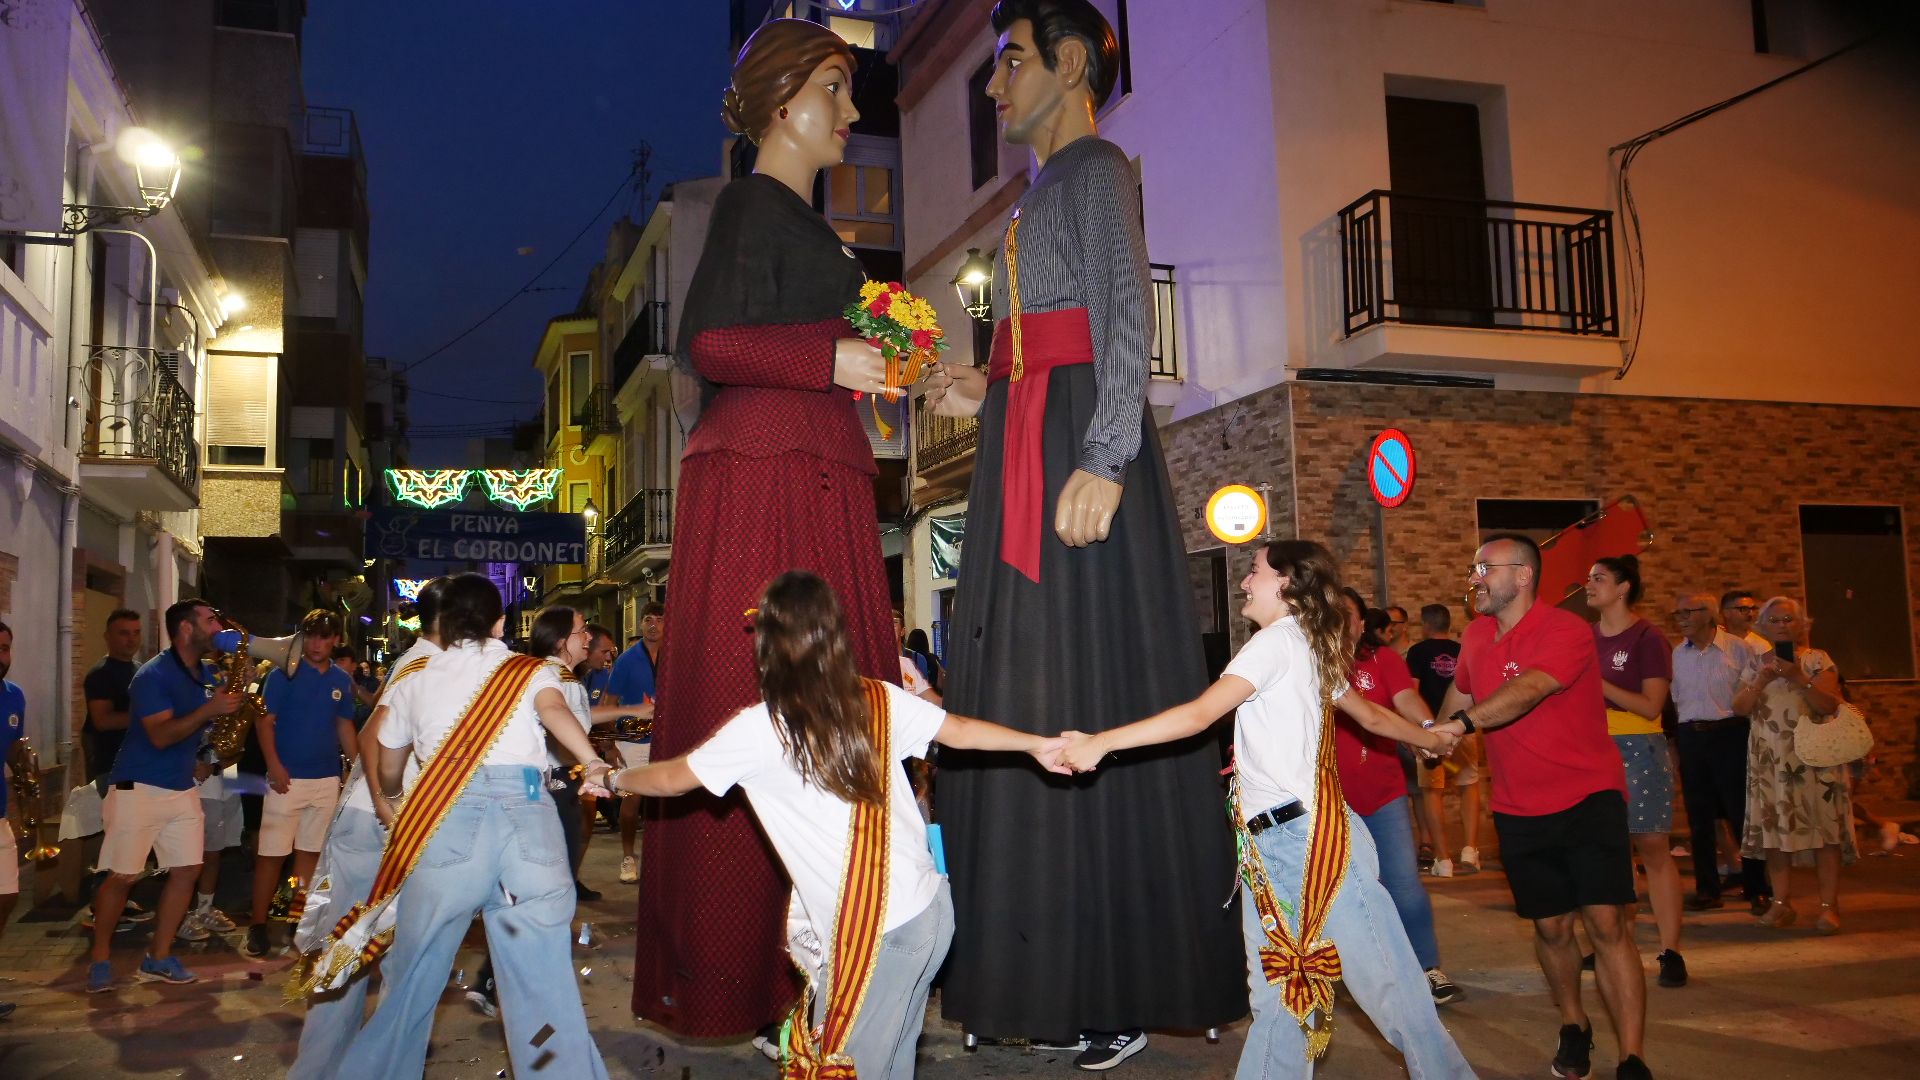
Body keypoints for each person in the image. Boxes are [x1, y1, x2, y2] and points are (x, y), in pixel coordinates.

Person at [921, 2, 1244, 1063]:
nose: (991, 84)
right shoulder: (1037, 195)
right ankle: (1028, 973)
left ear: (1070, 62)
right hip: (1029, 430)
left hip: (1069, 447)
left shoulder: (1097, 168)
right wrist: (985, 381)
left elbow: (1120, 315)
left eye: (1007, 61)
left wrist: (1105, 455)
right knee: (1024, 690)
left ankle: (1108, 982)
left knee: (1085, 684)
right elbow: (1046, 329)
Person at [635, 19, 904, 1039]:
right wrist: (828, 363)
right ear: (785, 104)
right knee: (763, 713)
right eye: (837, 89)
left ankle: (812, 968)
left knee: (817, 718)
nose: (852, 110)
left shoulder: (800, 225)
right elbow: (710, 340)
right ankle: (738, 974)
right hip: (766, 474)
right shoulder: (753, 203)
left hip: (807, 463)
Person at [610, 571, 1068, 1078]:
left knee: (840, 1068)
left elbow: (673, 778)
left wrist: (613, 777)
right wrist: (1037, 745)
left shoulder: (763, 728)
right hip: (928, 913)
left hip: (875, 936)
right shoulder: (876, 697)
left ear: (769, 644)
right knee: (887, 1065)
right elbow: (958, 730)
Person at [1057, 541, 1470, 1077]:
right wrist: (1430, 741)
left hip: (1312, 843)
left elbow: (1200, 715)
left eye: (1255, 572)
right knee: (1281, 992)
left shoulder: (1276, 643)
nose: (1244, 582)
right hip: (1271, 846)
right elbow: (1370, 716)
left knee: (1388, 983)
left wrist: (1100, 742)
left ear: (1289, 584)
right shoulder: (1306, 644)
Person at [332, 574, 612, 1076]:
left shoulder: (417, 676)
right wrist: (592, 761)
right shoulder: (527, 670)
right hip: (530, 821)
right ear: (500, 624)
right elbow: (552, 712)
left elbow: (389, 761)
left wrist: (394, 801)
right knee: (546, 989)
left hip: (447, 824)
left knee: (413, 982)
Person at [1435, 535, 1652, 1080]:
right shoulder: (1476, 635)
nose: (1475, 577)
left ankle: (1631, 1058)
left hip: (1588, 794)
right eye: (1473, 568)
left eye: (1485, 567)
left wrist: (1460, 726)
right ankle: (1574, 1025)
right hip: (1516, 804)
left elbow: (1530, 689)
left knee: (1606, 922)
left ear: (1525, 575)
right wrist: (1429, 736)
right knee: (1553, 928)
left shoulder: (1566, 630)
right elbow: (1457, 700)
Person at [286, 578, 448, 1080]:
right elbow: (374, 734)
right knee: (388, 960)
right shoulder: (427, 665)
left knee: (356, 955)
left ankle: (330, 1070)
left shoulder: (422, 663)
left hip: (380, 823)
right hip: (387, 827)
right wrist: (385, 803)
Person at [87, 599, 243, 993]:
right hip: (137, 786)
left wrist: (233, 694)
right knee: (123, 876)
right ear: (186, 630)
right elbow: (159, 735)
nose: (218, 626)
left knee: (187, 870)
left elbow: (205, 723)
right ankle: (101, 960)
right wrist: (211, 708)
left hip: (180, 787)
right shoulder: (152, 676)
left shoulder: (203, 673)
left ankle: (158, 957)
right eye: (210, 620)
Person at [466, 604, 601, 1020]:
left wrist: (633, 712)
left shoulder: (547, 675)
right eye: (581, 631)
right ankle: (507, 982)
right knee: (549, 891)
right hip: (552, 788)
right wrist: (594, 763)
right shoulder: (553, 678)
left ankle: (494, 978)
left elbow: (581, 720)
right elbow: (563, 724)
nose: (589, 638)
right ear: (562, 640)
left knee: (526, 889)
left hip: (536, 788)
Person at [1339, 594, 1460, 1006]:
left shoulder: (1384, 661)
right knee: (1340, 888)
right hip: (1329, 797)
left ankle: (1426, 967)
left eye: (1349, 616)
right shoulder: (1311, 664)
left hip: (1384, 791)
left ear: (1361, 624)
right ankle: (1354, 973)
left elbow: (1405, 700)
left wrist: (1428, 728)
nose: (1341, 623)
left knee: (1404, 884)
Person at [1586, 557, 1686, 989]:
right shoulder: (1584, 637)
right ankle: (1616, 942)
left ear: (1624, 587)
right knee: (1610, 851)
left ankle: (1671, 950)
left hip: (1639, 747)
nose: (1589, 585)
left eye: (1599, 579)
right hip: (1594, 750)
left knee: (1652, 846)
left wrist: (1595, 680)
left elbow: (1650, 705)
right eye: (1589, 578)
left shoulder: (1648, 637)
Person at [1736, 597, 1855, 934]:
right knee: (1776, 832)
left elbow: (1828, 703)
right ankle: (1780, 903)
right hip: (1771, 759)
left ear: (1803, 623)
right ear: (1762, 627)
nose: (1782, 624)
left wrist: (1798, 676)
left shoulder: (1818, 660)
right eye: (1774, 620)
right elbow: (1740, 706)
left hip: (1814, 756)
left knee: (1824, 830)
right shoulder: (1757, 662)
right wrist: (1761, 680)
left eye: (1789, 618)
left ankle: (1829, 906)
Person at [244, 610, 356, 959]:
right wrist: (274, 765)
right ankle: (258, 924)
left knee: (308, 856)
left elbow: (344, 727)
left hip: (324, 779)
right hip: (286, 779)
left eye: (324, 637)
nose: (317, 643)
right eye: (311, 635)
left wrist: (356, 770)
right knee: (271, 856)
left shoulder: (341, 680)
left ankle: (298, 919)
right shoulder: (281, 676)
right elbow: (265, 724)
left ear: (336, 640)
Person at [1669, 592, 1769, 914]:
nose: (1680, 618)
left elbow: (1754, 695)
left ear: (1709, 615)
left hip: (1730, 734)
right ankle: (1707, 889)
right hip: (1691, 738)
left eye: (1687, 612)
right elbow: (1674, 701)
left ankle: (1757, 887)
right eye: (1677, 613)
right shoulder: (1676, 654)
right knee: (1700, 819)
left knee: (1742, 814)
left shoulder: (1739, 649)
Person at [1405, 604, 1482, 875]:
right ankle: (1470, 850)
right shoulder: (1462, 650)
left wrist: (1416, 730)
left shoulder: (1416, 652)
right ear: (1448, 624)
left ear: (1426, 625)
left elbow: (1412, 694)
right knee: (1468, 786)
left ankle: (1443, 859)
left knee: (1431, 792)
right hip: (1465, 729)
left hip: (1432, 734)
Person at [604, 602, 663, 886]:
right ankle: (629, 857)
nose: (653, 625)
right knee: (631, 803)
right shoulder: (626, 660)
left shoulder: (675, 654)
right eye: (648, 620)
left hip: (666, 739)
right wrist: (610, 744)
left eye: (659, 620)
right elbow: (609, 703)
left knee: (664, 803)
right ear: (641, 624)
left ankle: (657, 859)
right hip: (633, 741)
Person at [81, 609, 143, 784]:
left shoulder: (139, 669)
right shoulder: (101, 673)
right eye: (124, 633)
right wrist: (149, 716)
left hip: (135, 763)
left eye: (136, 633)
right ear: (107, 637)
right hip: (110, 766)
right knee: (114, 809)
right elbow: (102, 721)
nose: (131, 639)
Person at [1, 621, 23, 1018]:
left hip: (0, 811)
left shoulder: (14, 696)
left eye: (5, 648)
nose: (1, 657)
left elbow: (14, 753)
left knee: (8, 896)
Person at [895, 611, 941, 703]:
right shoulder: (875, 662)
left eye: (894, 623)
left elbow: (927, 695)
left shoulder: (912, 660)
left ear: (902, 631)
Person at [1718, 590, 1771, 655]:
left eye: (1753, 609)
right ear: (1726, 613)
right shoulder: (1713, 639)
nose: (1751, 614)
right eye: (1744, 609)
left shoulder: (1761, 647)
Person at [904, 628, 942, 693]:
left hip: (911, 696)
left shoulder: (905, 660)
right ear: (925, 642)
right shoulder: (934, 659)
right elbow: (940, 685)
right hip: (931, 696)